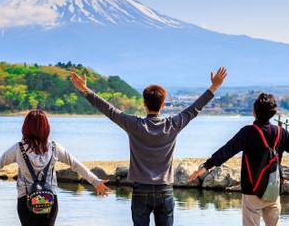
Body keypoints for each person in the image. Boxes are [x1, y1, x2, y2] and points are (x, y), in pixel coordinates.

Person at [70, 68, 227, 226]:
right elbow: (194, 109)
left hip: (140, 190)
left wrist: (85, 89)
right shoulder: (173, 124)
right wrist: (214, 87)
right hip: (164, 190)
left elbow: (109, 110)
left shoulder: (135, 125)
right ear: (163, 104)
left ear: (144, 104)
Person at [0, 109, 110, 226]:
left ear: (25, 127)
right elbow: (76, 165)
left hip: (26, 199)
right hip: (49, 199)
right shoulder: (54, 148)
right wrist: (95, 181)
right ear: (46, 128)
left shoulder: (18, 149)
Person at [189, 93, 289, 226]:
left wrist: (207, 166)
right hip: (273, 190)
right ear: (273, 113)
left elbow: (226, 151)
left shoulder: (247, 132)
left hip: (252, 191)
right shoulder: (281, 133)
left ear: (254, 112)